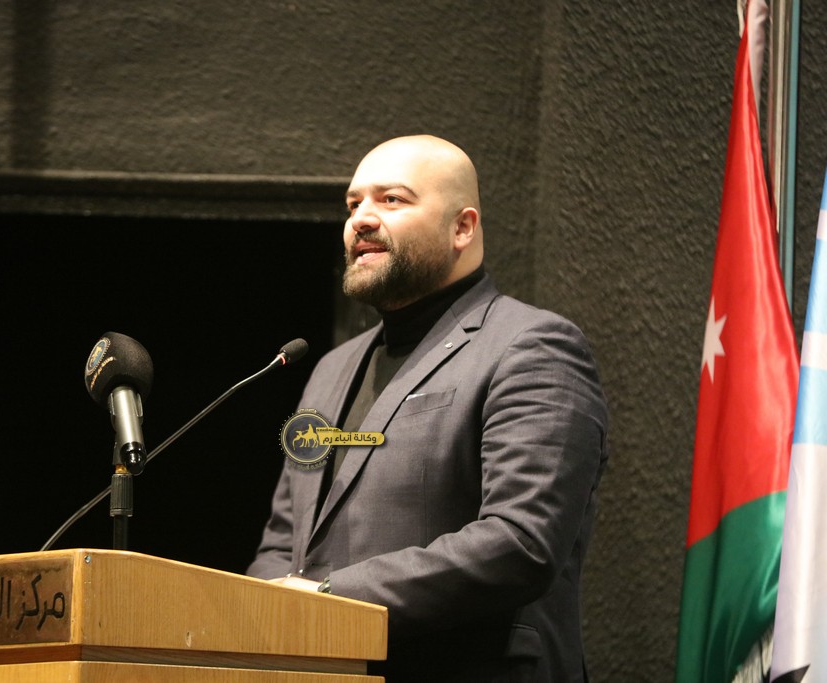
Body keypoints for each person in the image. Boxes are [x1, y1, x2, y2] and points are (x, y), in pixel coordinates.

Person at [247, 135, 608, 682]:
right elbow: (285, 538)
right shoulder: (330, 369)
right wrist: (262, 614)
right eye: (353, 204)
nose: (361, 219)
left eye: (391, 199)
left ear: (462, 227)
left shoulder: (533, 347)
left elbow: (521, 541)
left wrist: (327, 598)